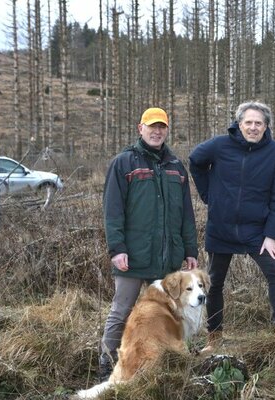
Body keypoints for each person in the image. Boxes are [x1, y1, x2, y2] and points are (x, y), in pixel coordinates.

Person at [100, 107, 199, 381]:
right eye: (151, 126)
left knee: (168, 313)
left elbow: (186, 215)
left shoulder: (176, 167)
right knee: (121, 312)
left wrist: (190, 250)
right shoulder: (124, 163)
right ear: (140, 128)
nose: (157, 132)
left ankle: (165, 365)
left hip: (167, 260)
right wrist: (117, 248)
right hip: (132, 257)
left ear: (167, 130)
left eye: (162, 127)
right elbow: (113, 211)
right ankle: (107, 365)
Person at [189, 101, 275, 350]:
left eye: (259, 123)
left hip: (257, 231)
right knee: (213, 282)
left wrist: (271, 234)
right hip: (221, 227)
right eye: (248, 122)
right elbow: (195, 161)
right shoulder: (219, 146)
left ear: (266, 126)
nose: (253, 127)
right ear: (239, 124)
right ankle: (214, 336)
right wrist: (209, 196)